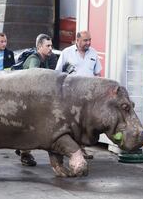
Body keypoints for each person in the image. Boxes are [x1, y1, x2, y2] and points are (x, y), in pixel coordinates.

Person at [55, 30, 102, 159]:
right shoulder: (67, 53)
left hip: (88, 97)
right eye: (85, 40)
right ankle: (72, 150)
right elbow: (58, 74)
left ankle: (82, 149)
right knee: (72, 123)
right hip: (71, 96)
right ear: (77, 40)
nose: (88, 43)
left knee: (85, 123)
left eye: (89, 40)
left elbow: (98, 74)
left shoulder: (93, 53)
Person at [17, 33, 54, 167]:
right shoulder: (35, 59)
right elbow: (34, 80)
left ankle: (22, 149)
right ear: (39, 47)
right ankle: (25, 153)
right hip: (28, 101)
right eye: (47, 45)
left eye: (51, 45)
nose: (50, 48)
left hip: (35, 101)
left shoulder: (46, 60)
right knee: (29, 128)